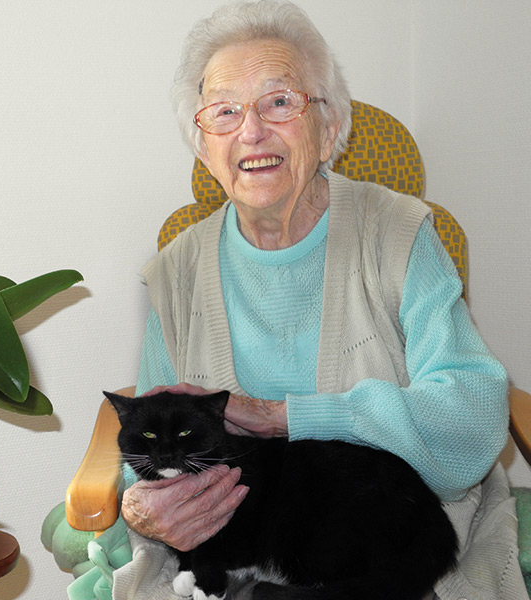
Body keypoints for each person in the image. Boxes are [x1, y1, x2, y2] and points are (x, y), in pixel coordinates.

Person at [107, 1, 525, 599]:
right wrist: (141, 505)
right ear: (204, 147)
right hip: (236, 554)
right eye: (225, 112)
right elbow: (150, 436)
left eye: (279, 102)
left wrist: (287, 417)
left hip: (394, 538)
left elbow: (473, 418)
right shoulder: (176, 271)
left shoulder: (400, 232)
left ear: (329, 128)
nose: (251, 131)